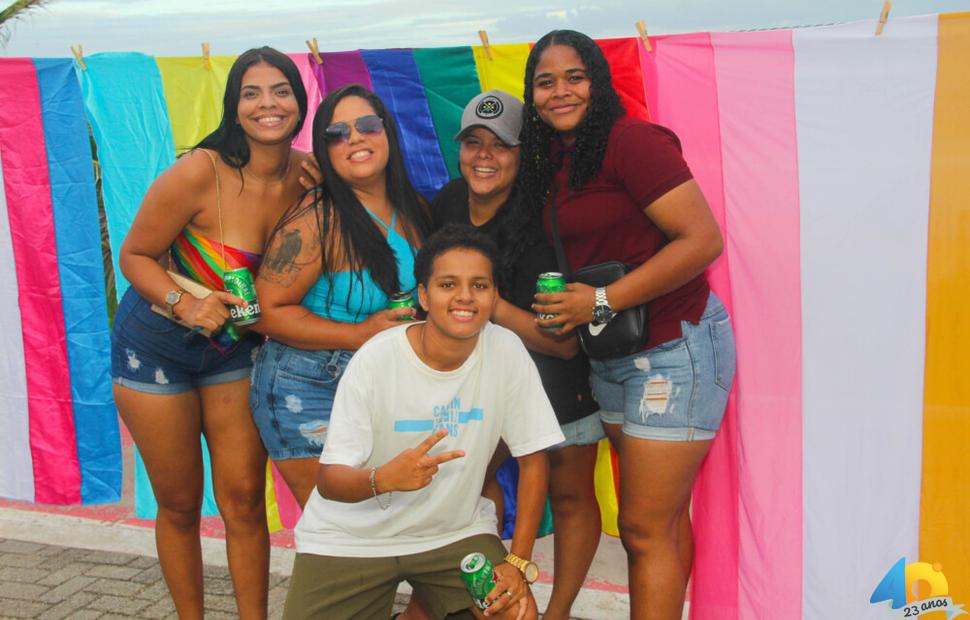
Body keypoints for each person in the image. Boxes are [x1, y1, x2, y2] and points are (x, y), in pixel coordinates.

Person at [519, 30, 737, 620]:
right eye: (545, 81)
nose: (560, 91)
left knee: (643, 526)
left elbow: (702, 240)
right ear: (531, 95)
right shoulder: (561, 158)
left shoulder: (631, 141)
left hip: (674, 346)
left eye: (575, 76)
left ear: (598, 79)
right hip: (613, 357)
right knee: (659, 523)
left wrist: (601, 300)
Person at [111, 46, 313, 619]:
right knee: (178, 505)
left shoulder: (307, 174)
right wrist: (184, 301)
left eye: (281, 91)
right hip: (155, 348)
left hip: (234, 350)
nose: (267, 104)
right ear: (233, 105)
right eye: (251, 93)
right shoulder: (200, 169)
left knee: (245, 499)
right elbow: (134, 254)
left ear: (299, 103)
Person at [281, 224, 564, 620]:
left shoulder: (506, 350)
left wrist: (517, 562)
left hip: (453, 533)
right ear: (424, 296)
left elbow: (534, 460)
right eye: (448, 284)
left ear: (494, 295)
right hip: (351, 538)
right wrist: (383, 478)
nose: (465, 296)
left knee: (514, 612)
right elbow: (329, 482)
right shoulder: (377, 359)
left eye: (479, 285)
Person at [432, 90, 603, 619]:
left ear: (523, 152)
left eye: (500, 146)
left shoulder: (544, 217)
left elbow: (563, 340)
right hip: (475, 383)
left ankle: (556, 612)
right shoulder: (445, 202)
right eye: (473, 143)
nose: (484, 156)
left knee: (571, 496)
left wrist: (489, 306)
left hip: (555, 383)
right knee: (474, 487)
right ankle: (491, 602)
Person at [251, 84, 432, 508]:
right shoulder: (316, 221)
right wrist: (359, 333)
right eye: (337, 133)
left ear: (387, 132)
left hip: (380, 384)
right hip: (309, 384)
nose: (354, 138)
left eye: (367, 125)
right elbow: (263, 312)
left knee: (389, 516)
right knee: (337, 525)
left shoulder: (415, 210)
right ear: (324, 150)